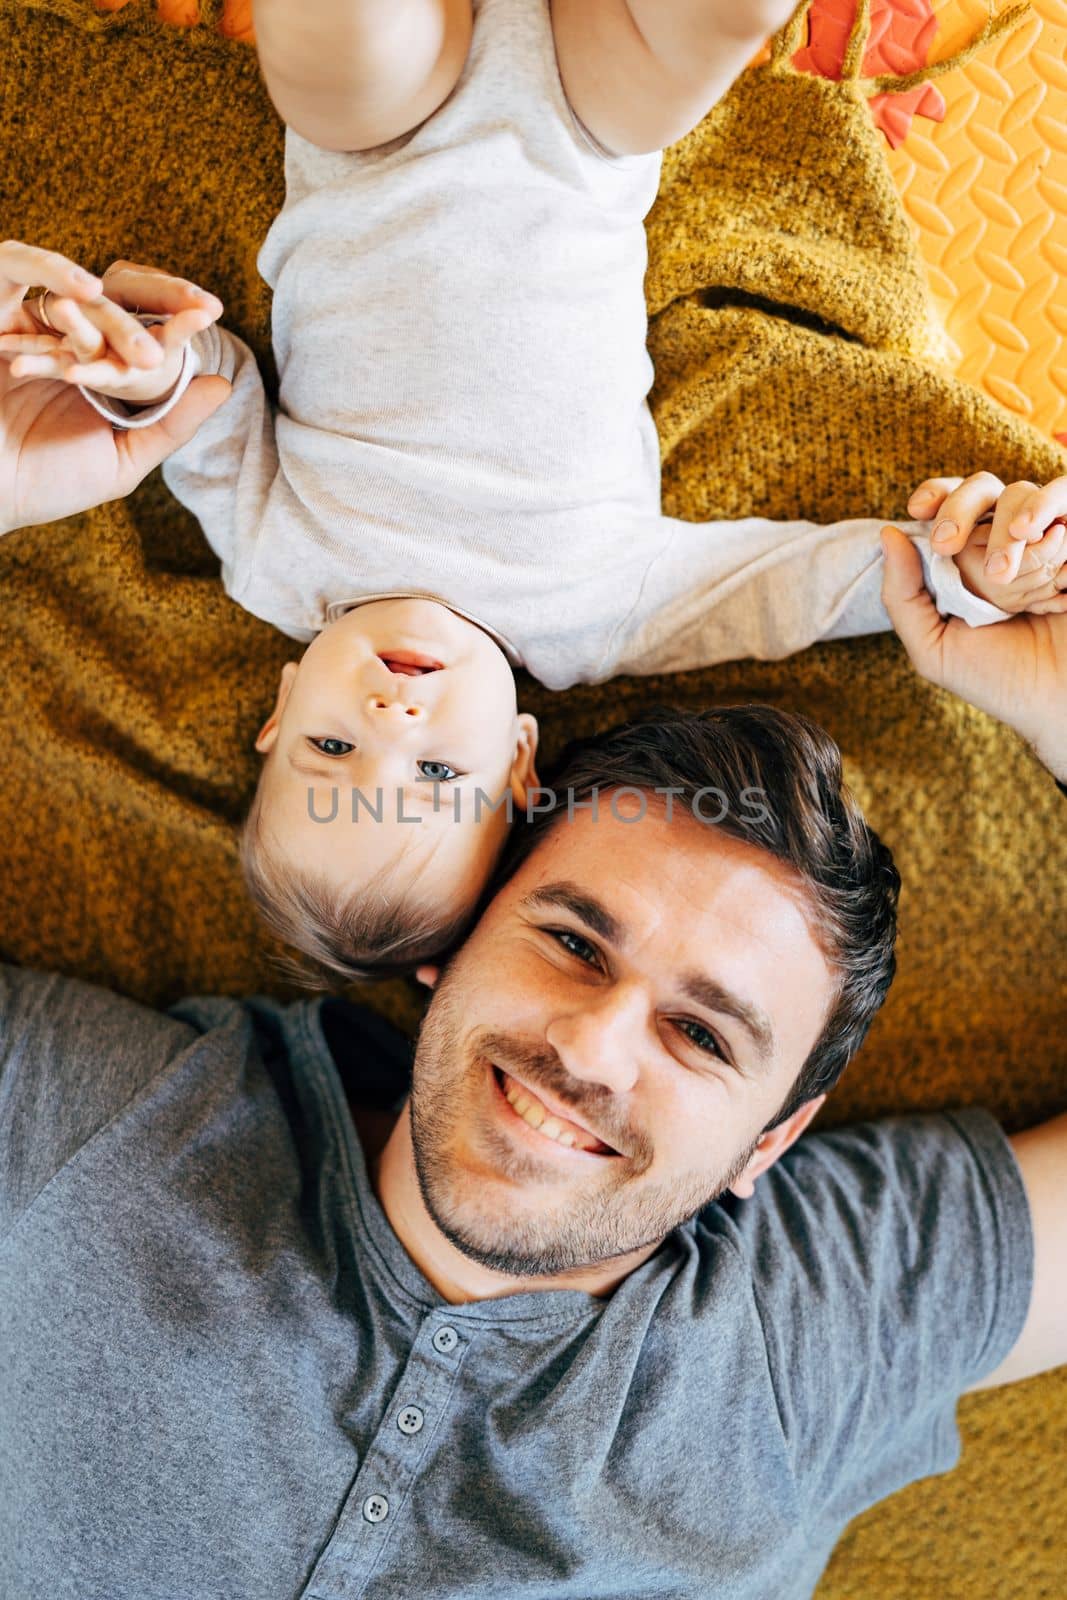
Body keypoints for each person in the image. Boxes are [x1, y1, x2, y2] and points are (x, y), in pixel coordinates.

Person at [1, 452, 1065, 1599]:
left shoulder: (819, 1325)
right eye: (570, 942)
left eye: (702, 1037)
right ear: (451, 943)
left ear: (771, 1138)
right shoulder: (107, 1115)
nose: (591, 1049)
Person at [4, 0, 1066, 984]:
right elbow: (802, 589)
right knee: (723, 18)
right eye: (433, 770)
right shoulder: (595, 619)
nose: (391, 714)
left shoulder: (277, 567)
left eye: (335, 744)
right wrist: (961, 575)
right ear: (518, 762)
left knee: (337, 30)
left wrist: (147, 377)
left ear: (280, 711)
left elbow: (213, 398)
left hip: (365, 144)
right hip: (583, 141)